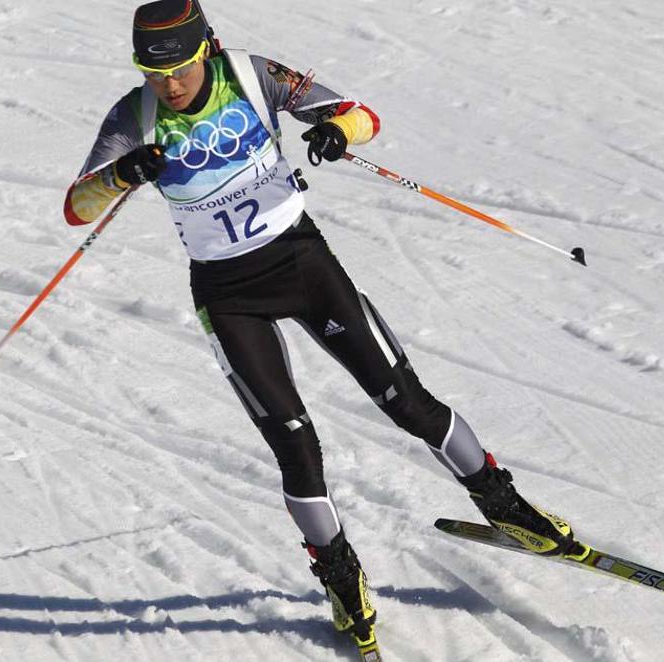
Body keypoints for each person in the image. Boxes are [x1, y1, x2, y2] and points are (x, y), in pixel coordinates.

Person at [64, 0, 583, 649]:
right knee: (295, 445)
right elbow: (78, 208)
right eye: (154, 73)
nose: (169, 85)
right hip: (227, 294)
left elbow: (360, 115)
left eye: (181, 69)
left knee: (406, 402)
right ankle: (339, 574)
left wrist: (336, 132)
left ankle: (502, 505)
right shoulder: (133, 116)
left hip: (303, 263)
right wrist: (121, 173)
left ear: (206, 51)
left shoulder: (252, 76)